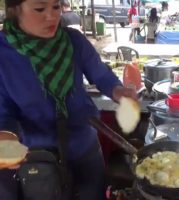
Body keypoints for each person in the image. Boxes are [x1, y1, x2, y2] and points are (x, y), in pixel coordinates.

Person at [0, 0, 137, 200]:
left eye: (56, 7)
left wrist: (118, 91)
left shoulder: (73, 40)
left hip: (84, 147)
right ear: (14, 10)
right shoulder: (3, 53)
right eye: (40, 9)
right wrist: (6, 135)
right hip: (35, 157)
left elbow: (101, 75)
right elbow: (3, 110)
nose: (52, 16)